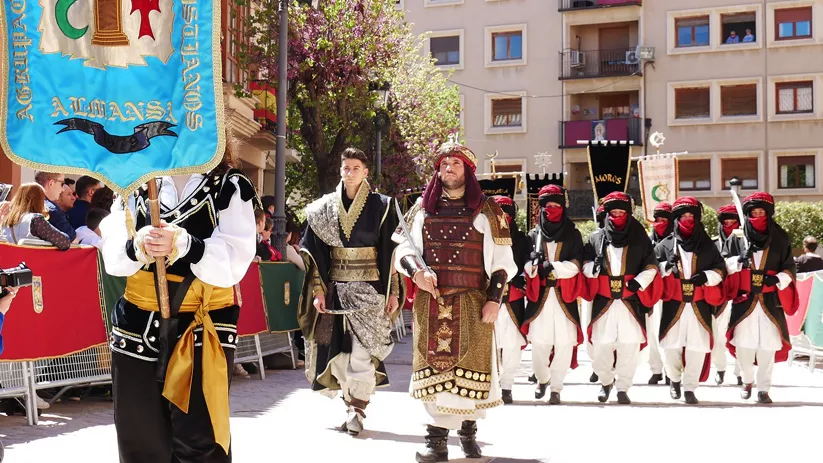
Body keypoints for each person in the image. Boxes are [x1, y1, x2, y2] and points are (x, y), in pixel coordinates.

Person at [100, 139, 258, 462]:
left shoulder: (229, 185)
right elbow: (113, 256)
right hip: (138, 329)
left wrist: (186, 245)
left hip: (203, 326)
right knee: (140, 441)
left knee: (200, 442)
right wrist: (137, 246)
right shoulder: (135, 183)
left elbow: (235, 261)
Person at [393, 140, 516, 462]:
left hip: (474, 302)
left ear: (468, 171)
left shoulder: (489, 210)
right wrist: (417, 272)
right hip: (431, 303)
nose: (449, 168)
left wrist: (495, 300)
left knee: (471, 372)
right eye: (444, 164)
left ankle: (468, 435)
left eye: (456, 164)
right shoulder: (421, 208)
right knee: (433, 372)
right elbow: (403, 250)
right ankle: (436, 443)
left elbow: (503, 263)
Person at [298, 147, 402, 437]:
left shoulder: (383, 206)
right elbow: (316, 252)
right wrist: (318, 291)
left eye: (356, 167)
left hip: (370, 289)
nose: (350, 171)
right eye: (346, 167)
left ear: (366, 172)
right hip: (335, 289)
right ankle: (350, 404)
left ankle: (357, 408)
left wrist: (393, 291)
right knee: (339, 354)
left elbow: (391, 253)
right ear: (340, 170)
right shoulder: (323, 208)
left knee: (362, 352)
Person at [581, 191, 661, 405]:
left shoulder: (639, 236)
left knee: (629, 345)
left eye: (621, 212)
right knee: (601, 345)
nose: (617, 216)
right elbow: (584, 263)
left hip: (630, 302)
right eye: (613, 212)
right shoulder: (596, 238)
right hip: (603, 302)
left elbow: (651, 265)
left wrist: (640, 282)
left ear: (628, 213)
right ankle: (605, 381)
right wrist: (592, 268)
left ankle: (623, 387)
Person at [723, 192, 798, 404]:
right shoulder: (737, 238)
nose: (757, 216)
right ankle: (747, 380)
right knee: (743, 346)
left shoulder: (780, 238)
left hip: (770, 303)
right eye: (753, 213)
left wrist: (778, 280)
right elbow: (722, 265)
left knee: (768, 347)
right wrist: (738, 260)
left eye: (761, 212)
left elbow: (789, 267)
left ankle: (764, 389)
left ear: (768, 213)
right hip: (744, 301)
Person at [655, 197, 726, 404]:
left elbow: (720, 269)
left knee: (697, 346)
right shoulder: (665, 245)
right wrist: (665, 267)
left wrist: (707, 277)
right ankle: (674, 380)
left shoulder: (707, 245)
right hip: (673, 304)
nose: (688, 220)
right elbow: (650, 268)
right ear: (676, 219)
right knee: (671, 346)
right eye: (683, 216)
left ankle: (690, 388)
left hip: (699, 305)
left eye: (691, 216)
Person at [522, 185, 584, 405]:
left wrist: (554, 267)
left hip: (564, 298)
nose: (552, 210)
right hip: (540, 299)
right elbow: (525, 265)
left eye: (556, 206)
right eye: (548, 206)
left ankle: (556, 388)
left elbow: (577, 264)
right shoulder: (533, 235)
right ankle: (543, 378)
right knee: (539, 344)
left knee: (565, 343)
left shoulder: (573, 234)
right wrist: (533, 264)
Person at [490, 196, 530, 405]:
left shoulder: (522, 240)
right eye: (500, 215)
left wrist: (522, 277)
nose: (504, 219)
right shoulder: (482, 237)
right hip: (488, 299)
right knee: (490, 343)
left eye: (507, 215)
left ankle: (507, 386)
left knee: (512, 344)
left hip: (513, 299)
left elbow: (528, 262)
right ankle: (493, 385)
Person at [713, 204, 742, 385]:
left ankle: (740, 371)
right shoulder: (713, 244)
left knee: (740, 336)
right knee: (718, 335)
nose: (729, 226)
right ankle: (720, 368)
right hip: (719, 296)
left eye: (733, 222)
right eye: (726, 222)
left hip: (741, 295)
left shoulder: (747, 243)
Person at [647, 202, 673, 385]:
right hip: (650, 294)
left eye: (664, 220)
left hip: (670, 293)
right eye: (657, 220)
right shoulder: (648, 241)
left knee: (667, 332)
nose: (660, 223)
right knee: (651, 332)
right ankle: (656, 369)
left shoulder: (676, 242)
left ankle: (670, 370)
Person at [0, 183, 71, 250]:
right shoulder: (35, 219)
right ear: (39, 200)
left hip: (11, 261)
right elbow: (64, 242)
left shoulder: (6, 219)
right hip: (32, 261)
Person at [34, 171, 75, 241]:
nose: (63, 189)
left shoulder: (23, 205)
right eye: (62, 184)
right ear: (51, 183)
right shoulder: (53, 210)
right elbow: (74, 241)